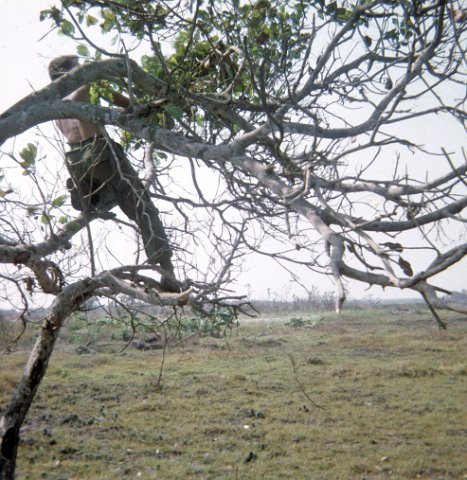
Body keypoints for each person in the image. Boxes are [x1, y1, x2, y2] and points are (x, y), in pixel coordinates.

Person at [48, 55, 179, 292]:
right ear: (70, 72)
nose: (83, 68)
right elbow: (129, 106)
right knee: (143, 209)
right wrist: (155, 109)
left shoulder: (57, 109)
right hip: (101, 152)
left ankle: (92, 197)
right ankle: (167, 272)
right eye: (78, 66)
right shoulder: (86, 87)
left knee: (113, 198)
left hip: (77, 162)